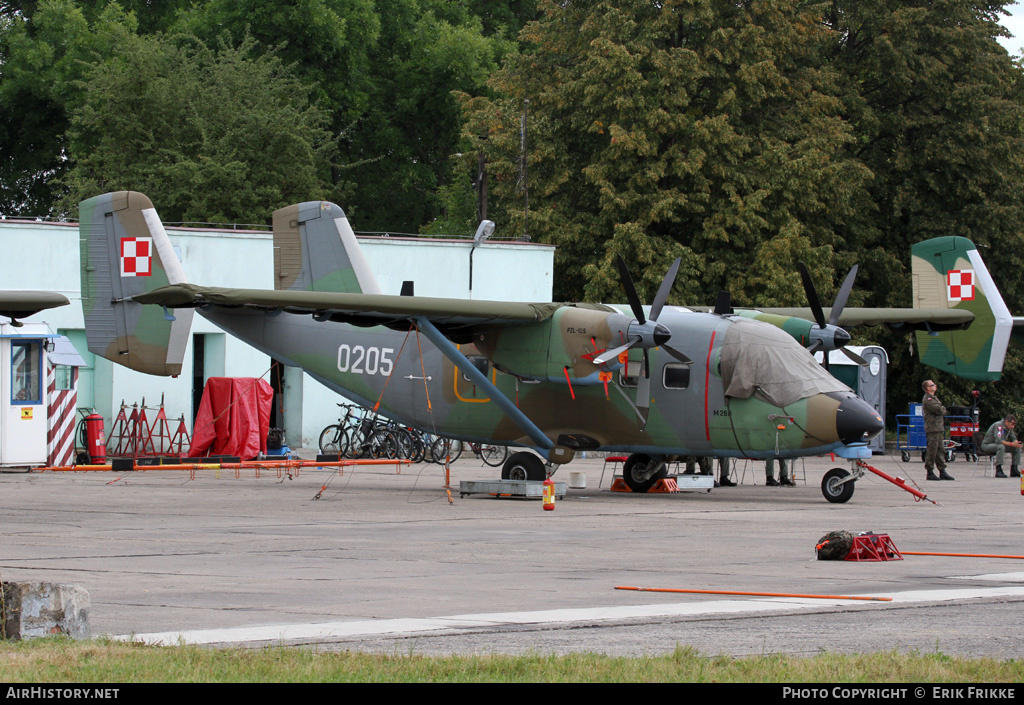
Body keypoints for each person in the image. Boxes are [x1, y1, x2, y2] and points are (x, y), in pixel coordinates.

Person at [922, 379, 953, 481]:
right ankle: (930, 471)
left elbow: (941, 409)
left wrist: (942, 409)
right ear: (928, 388)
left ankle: (942, 471)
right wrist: (943, 409)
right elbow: (939, 410)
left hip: (938, 428)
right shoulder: (928, 399)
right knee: (932, 450)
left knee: (940, 450)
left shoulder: (934, 398)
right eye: (932, 385)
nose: (935, 386)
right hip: (932, 428)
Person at [981, 414, 1022, 478]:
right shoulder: (999, 426)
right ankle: (998, 470)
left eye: (1014, 424)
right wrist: (1011, 444)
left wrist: (1016, 443)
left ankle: (1014, 469)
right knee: (1001, 447)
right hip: (987, 445)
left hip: (997, 445)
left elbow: (1013, 438)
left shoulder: (1009, 428)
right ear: (1006, 422)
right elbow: (999, 441)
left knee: (1016, 448)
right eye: (1012, 424)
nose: (1013, 426)